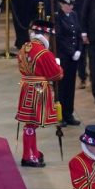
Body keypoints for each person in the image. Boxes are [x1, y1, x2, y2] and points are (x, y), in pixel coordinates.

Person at [15, 21, 63, 168]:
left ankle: (32, 152)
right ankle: (28, 156)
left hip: (26, 87)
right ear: (46, 34)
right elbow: (57, 74)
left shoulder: (24, 48)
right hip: (39, 89)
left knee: (30, 123)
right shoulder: (43, 52)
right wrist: (58, 65)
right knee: (32, 124)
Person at [55, 0, 83, 126]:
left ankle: (68, 113)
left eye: (72, 4)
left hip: (73, 57)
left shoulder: (74, 15)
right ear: (61, 4)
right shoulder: (57, 17)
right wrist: (72, 52)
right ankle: (60, 115)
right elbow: (59, 38)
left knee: (70, 85)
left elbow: (78, 34)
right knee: (61, 86)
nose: (70, 7)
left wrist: (79, 50)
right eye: (67, 4)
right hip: (63, 57)